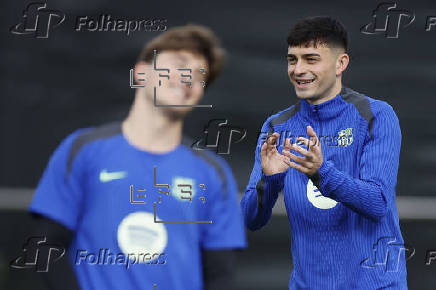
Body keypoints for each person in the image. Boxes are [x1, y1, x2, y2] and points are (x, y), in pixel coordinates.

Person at [29, 24, 246, 290]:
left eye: (201, 76)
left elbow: (220, 275)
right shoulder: (83, 149)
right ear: (141, 72)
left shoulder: (213, 173)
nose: (189, 78)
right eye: (179, 64)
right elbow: (46, 246)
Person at [241, 16, 407, 289]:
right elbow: (251, 219)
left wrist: (321, 173)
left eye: (311, 59)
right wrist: (269, 181)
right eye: (292, 59)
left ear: (341, 63)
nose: (298, 69)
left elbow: (378, 203)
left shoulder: (376, 114)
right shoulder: (277, 126)